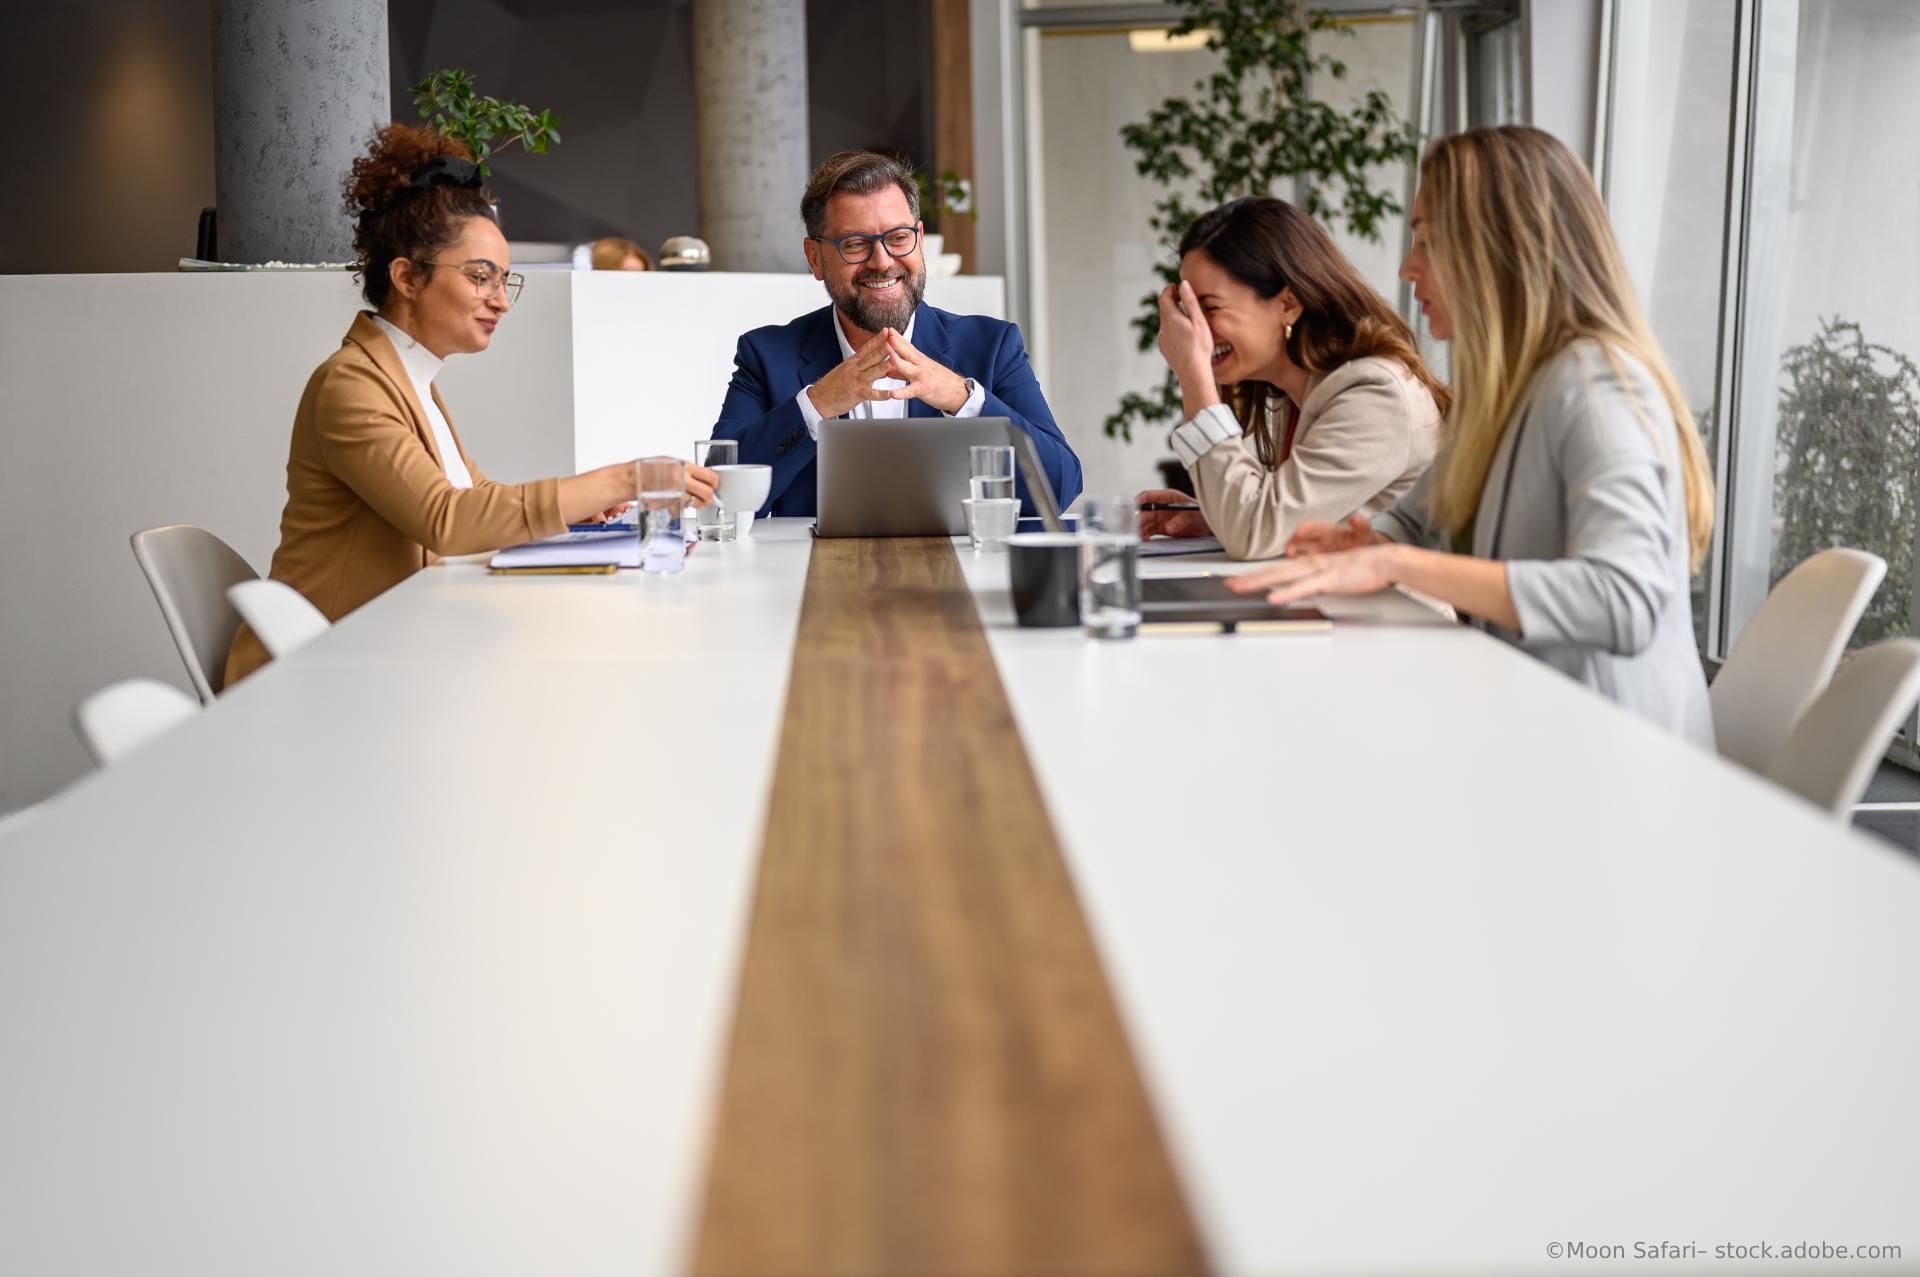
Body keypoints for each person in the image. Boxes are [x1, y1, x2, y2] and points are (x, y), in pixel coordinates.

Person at [1230, 126, 1717, 746]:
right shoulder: (1510, 386)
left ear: (1502, 249)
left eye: (1428, 241)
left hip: (1617, 752)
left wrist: (1393, 561)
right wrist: (1365, 541)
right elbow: (1419, 521)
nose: (1408, 268)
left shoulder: (1596, 388)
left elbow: (1622, 598)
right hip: (1534, 723)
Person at [225, 125, 714, 686]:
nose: (501, 301)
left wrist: (577, 507)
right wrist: (626, 479)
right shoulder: (351, 385)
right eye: (481, 277)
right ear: (407, 277)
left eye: (505, 281)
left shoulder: (408, 378)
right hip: (314, 672)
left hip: (382, 653)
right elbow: (447, 519)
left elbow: (472, 494)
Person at [712, 150, 1081, 516]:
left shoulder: (993, 346)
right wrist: (817, 404)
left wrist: (961, 397)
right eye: (855, 244)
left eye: (899, 237)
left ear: (919, 239)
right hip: (814, 558)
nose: (883, 261)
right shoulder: (766, 355)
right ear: (815, 258)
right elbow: (719, 499)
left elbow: (1058, 488)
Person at [1137, 197, 1447, 559]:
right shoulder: (1300, 393)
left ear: (1288, 304)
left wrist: (1194, 376)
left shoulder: (1375, 396)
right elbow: (1288, 521)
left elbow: (1252, 532)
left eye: (1209, 307)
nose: (1195, 329)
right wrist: (1212, 517)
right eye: (1188, 310)